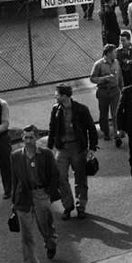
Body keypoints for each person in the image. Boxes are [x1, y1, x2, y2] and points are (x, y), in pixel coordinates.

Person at [10, 124, 60, 263]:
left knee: (45, 226)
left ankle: (50, 242)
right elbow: (14, 180)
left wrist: (49, 194)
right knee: (27, 237)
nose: (28, 141)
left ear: (37, 138)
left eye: (31, 137)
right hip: (23, 197)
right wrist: (13, 201)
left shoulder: (45, 154)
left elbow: (54, 175)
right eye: (25, 137)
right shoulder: (16, 156)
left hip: (41, 194)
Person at [47, 84, 98, 219]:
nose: (55, 96)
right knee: (61, 178)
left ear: (64, 96)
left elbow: (91, 129)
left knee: (80, 178)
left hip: (77, 148)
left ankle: (81, 206)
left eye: (57, 94)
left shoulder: (81, 109)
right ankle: (68, 205)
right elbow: (52, 129)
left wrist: (92, 148)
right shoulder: (55, 109)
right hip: (62, 149)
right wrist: (49, 149)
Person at [90, 44, 124, 144]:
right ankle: (106, 132)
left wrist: (122, 89)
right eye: (114, 52)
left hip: (115, 91)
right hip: (103, 92)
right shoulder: (98, 64)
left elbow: (120, 76)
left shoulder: (116, 62)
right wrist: (103, 79)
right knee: (103, 114)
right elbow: (92, 78)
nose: (116, 54)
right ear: (108, 53)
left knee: (116, 113)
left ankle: (116, 133)